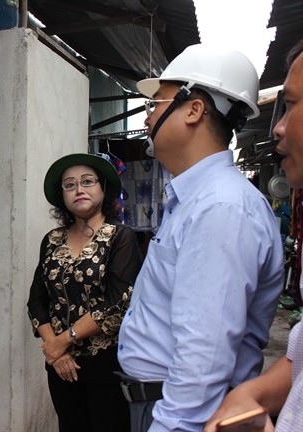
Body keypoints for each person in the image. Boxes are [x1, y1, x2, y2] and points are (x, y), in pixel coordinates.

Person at [116, 44, 284, 431]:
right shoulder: (198, 200)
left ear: (193, 109)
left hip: (178, 412)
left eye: (156, 103)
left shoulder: (221, 208)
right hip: (162, 402)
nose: (149, 116)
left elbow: (203, 356)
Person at [205, 39, 303, 432]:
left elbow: (208, 342)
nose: (277, 126)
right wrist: (252, 395)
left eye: (292, 105)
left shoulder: (227, 208)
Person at [27, 153, 143, 431]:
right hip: (60, 368)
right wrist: (55, 352)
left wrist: (62, 342)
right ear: (62, 195)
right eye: (69, 185)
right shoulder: (52, 240)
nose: (79, 189)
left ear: (103, 188)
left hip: (107, 366)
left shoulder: (120, 237)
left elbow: (118, 304)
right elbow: (36, 300)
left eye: (88, 181)